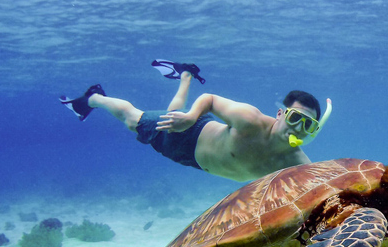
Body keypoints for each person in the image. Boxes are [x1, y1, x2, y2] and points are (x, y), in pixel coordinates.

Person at [60, 61, 332, 181]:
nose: (298, 128)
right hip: (190, 135)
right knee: (133, 120)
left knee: (171, 113)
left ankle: (185, 75)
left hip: (197, 163)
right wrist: (190, 118)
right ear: (281, 114)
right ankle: (94, 99)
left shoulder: (298, 164)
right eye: (296, 118)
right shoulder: (250, 120)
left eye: (308, 125)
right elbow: (211, 99)